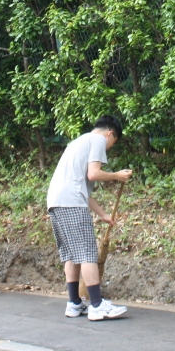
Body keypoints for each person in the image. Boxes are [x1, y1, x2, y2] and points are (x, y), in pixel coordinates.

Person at [46, 115, 132, 321]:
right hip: (72, 202)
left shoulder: (78, 142)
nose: (109, 147)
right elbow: (94, 174)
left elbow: (83, 189)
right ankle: (96, 305)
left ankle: (74, 303)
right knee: (86, 253)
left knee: (71, 254)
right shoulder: (97, 140)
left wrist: (103, 215)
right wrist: (117, 175)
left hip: (56, 201)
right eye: (113, 142)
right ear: (110, 134)